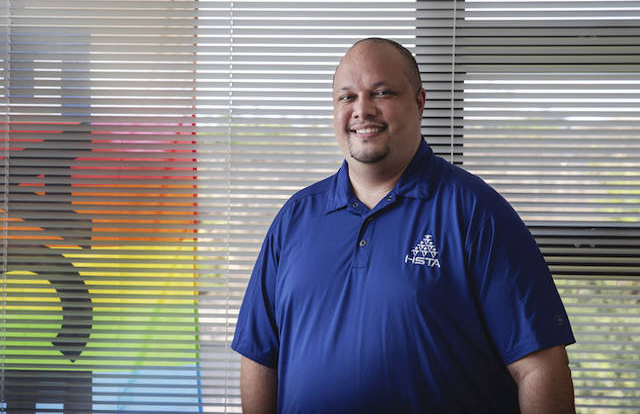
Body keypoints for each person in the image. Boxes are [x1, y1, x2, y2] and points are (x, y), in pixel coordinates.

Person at [231, 38, 576, 414]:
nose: (362, 110)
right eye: (347, 97)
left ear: (420, 101)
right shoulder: (295, 219)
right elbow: (259, 357)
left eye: (382, 92)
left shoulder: (475, 212)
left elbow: (540, 367)